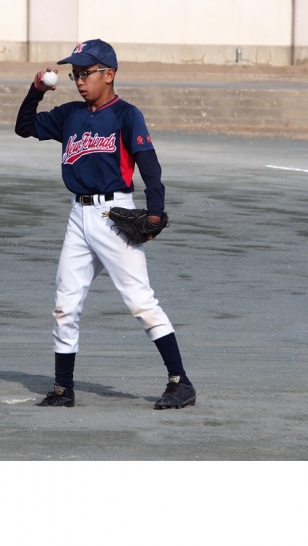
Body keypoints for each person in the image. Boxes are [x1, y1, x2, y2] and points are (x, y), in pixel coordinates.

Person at [15, 39, 195, 409]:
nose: (79, 80)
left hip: (114, 216)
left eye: (86, 72)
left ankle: (180, 382)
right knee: (65, 303)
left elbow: (149, 166)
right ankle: (63, 388)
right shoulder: (69, 115)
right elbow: (25, 126)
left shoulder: (127, 115)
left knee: (139, 301)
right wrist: (36, 91)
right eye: (75, 74)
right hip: (78, 218)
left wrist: (155, 211)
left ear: (109, 74)